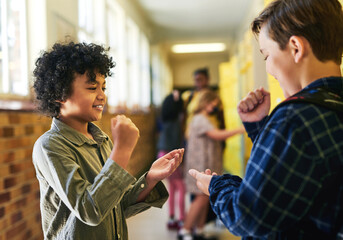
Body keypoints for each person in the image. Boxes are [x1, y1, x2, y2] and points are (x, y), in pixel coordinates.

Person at [189, 0, 343, 239]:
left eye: (266, 56)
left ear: (295, 48)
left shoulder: (293, 119)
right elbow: (300, 174)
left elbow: (249, 218)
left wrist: (215, 186)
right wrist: (261, 127)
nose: (269, 69)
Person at [32, 42, 184, 240]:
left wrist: (150, 180)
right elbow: (90, 211)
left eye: (103, 87)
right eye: (92, 87)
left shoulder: (101, 141)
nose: (102, 95)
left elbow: (114, 205)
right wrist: (122, 150)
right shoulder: (50, 146)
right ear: (60, 94)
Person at [178, 90, 245, 240]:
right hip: (201, 164)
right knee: (201, 198)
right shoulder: (200, 119)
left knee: (204, 198)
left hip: (205, 163)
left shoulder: (204, 118)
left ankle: (199, 230)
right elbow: (217, 135)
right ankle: (185, 231)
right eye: (212, 104)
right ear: (205, 102)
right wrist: (242, 129)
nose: (215, 107)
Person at [157, 90, 186, 230]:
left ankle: (172, 218)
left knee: (173, 187)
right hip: (171, 154)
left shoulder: (164, 118)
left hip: (162, 153)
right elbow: (176, 142)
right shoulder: (176, 121)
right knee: (181, 187)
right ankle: (181, 219)